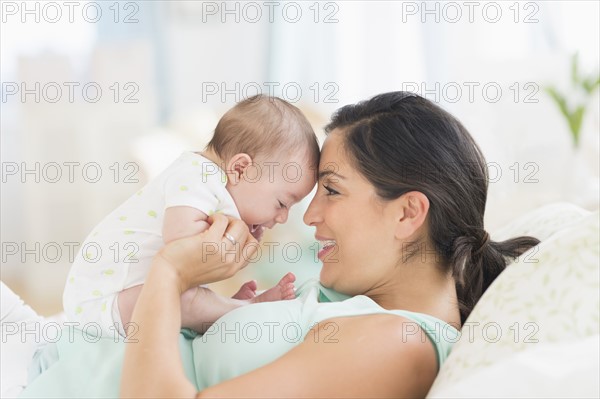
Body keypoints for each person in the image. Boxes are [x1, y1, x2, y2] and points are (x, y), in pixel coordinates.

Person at [21, 92, 539, 398]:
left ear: (407, 213)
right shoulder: (353, 302)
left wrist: (170, 272)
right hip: (55, 358)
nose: (309, 216)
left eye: (331, 191)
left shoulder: (397, 344)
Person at [62, 94, 319, 336]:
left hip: (126, 296)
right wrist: (231, 249)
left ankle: (224, 309)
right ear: (240, 169)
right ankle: (242, 310)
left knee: (186, 295)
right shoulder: (197, 176)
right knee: (181, 298)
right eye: (283, 203)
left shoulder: (212, 184)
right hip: (101, 305)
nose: (284, 217)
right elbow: (181, 242)